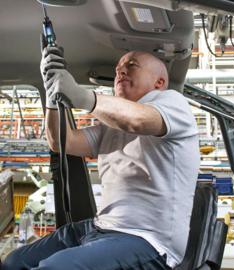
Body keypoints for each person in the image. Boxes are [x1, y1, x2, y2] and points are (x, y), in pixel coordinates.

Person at [3, 47, 200, 269]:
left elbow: (138, 121)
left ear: (159, 82)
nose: (121, 72)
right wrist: (52, 91)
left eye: (131, 65)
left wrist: (83, 97)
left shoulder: (173, 103)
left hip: (147, 241)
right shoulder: (111, 125)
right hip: (99, 228)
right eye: (118, 70)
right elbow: (62, 142)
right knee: (14, 262)